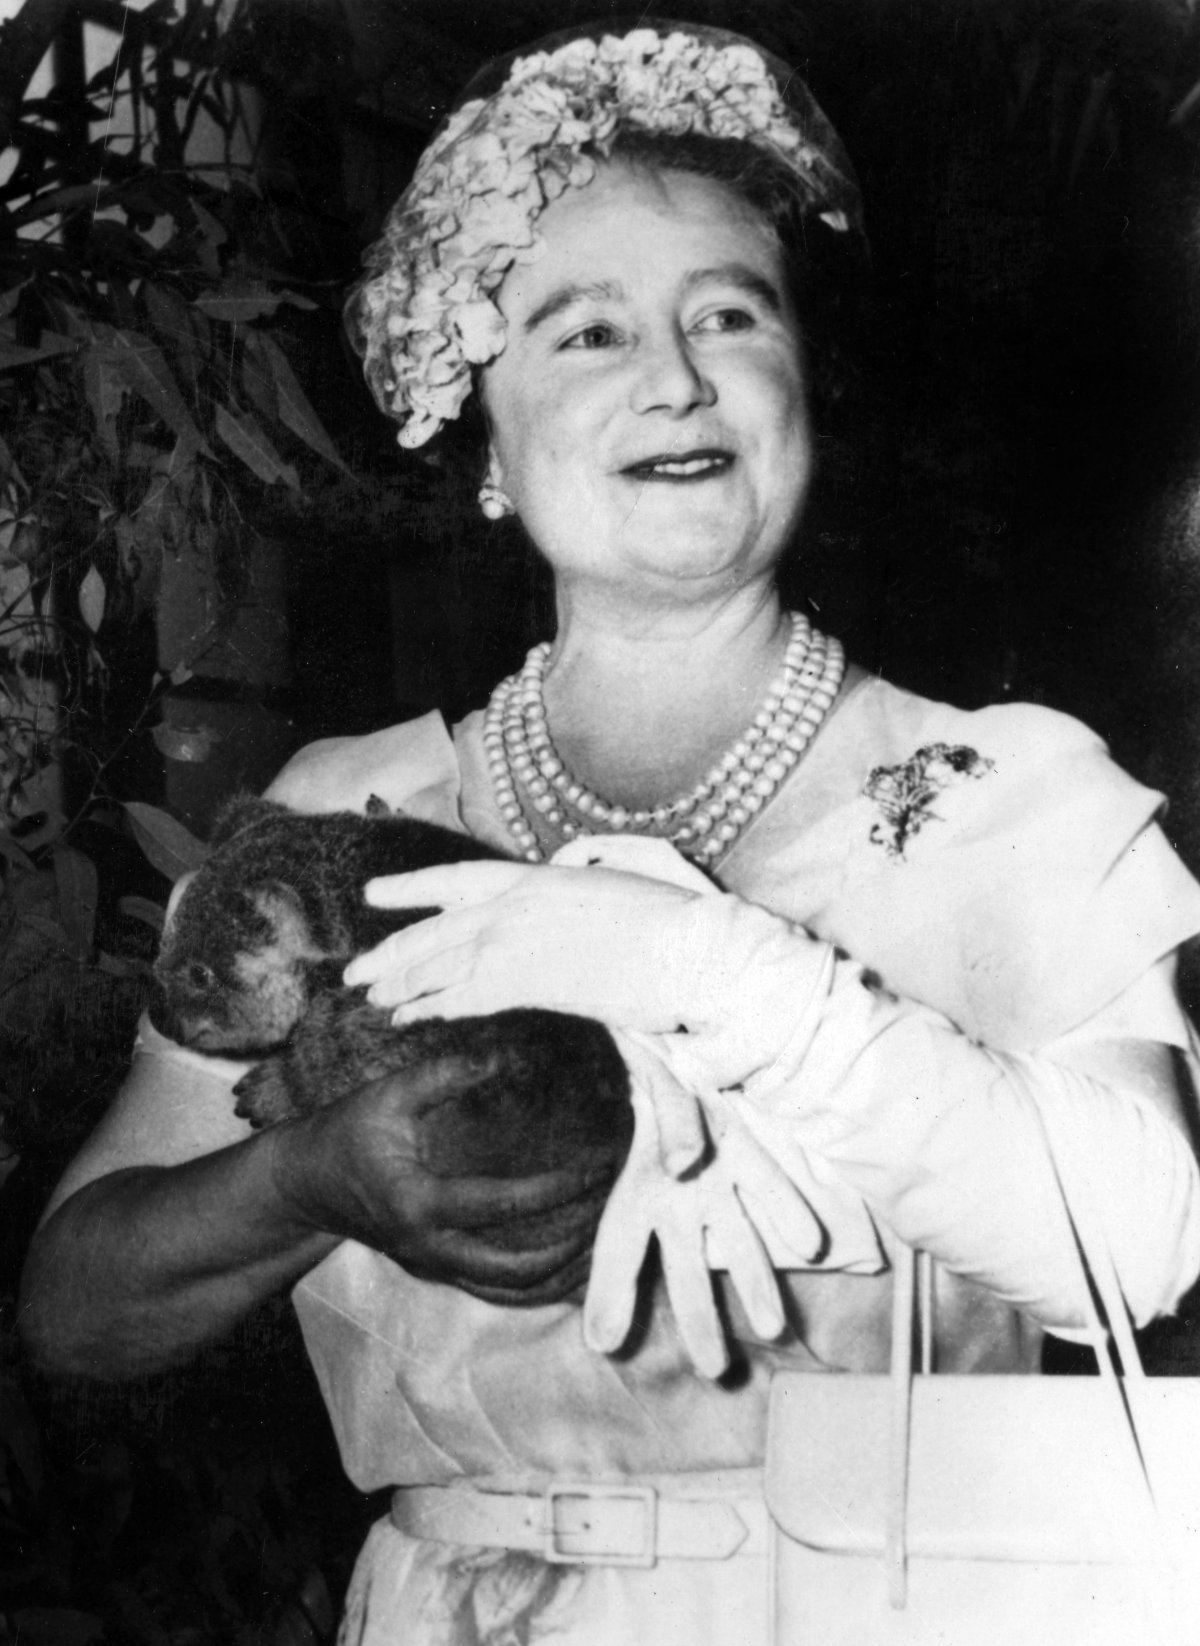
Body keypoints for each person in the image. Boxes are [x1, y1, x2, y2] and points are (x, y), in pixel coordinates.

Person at [19, 21, 1200, 1645]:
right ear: (485, 440)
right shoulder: (348, 816)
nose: (677, 377)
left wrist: (714, 974)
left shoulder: (998, 797)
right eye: (588, 331)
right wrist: (308, 1178)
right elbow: (76, 1307)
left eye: (732, 312)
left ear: (801, 384)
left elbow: (1141, 1246)